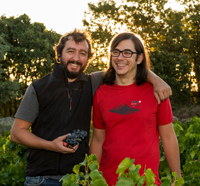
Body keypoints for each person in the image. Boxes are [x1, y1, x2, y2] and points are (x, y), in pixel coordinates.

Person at [10, 29, 172, 186]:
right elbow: (17, 133)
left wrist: (156, 80)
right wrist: (50, 145)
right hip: (42, 178)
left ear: (88, 58)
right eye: (70, 51)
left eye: (82, 53)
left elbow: (128, 67)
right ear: (59, 55)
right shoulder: (39, 87)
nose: (76, 58)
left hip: (79, 178)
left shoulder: (93, 82)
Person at [89, 32, 181, 186]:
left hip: (145, 181)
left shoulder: (156, 92)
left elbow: (169, 137)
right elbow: (98, 140)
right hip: (108, 181)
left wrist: (176, 177)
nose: (120, 58)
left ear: (139, 58)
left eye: (127, 53)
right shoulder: (101, 93)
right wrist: (92, 177)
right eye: (116, 52)